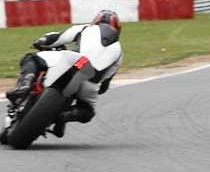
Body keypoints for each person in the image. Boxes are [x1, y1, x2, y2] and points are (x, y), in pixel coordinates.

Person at [5, 10, 123, 138]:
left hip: (76, 62)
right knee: (88, 110)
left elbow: (58, 38)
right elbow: (105, 83)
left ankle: (25, 84)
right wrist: (97, 86)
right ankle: (66, 116)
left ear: (96, 20)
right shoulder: (119, 52)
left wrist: (40, 41)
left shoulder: (86, 28)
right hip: (91, 81)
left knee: (32, 58)